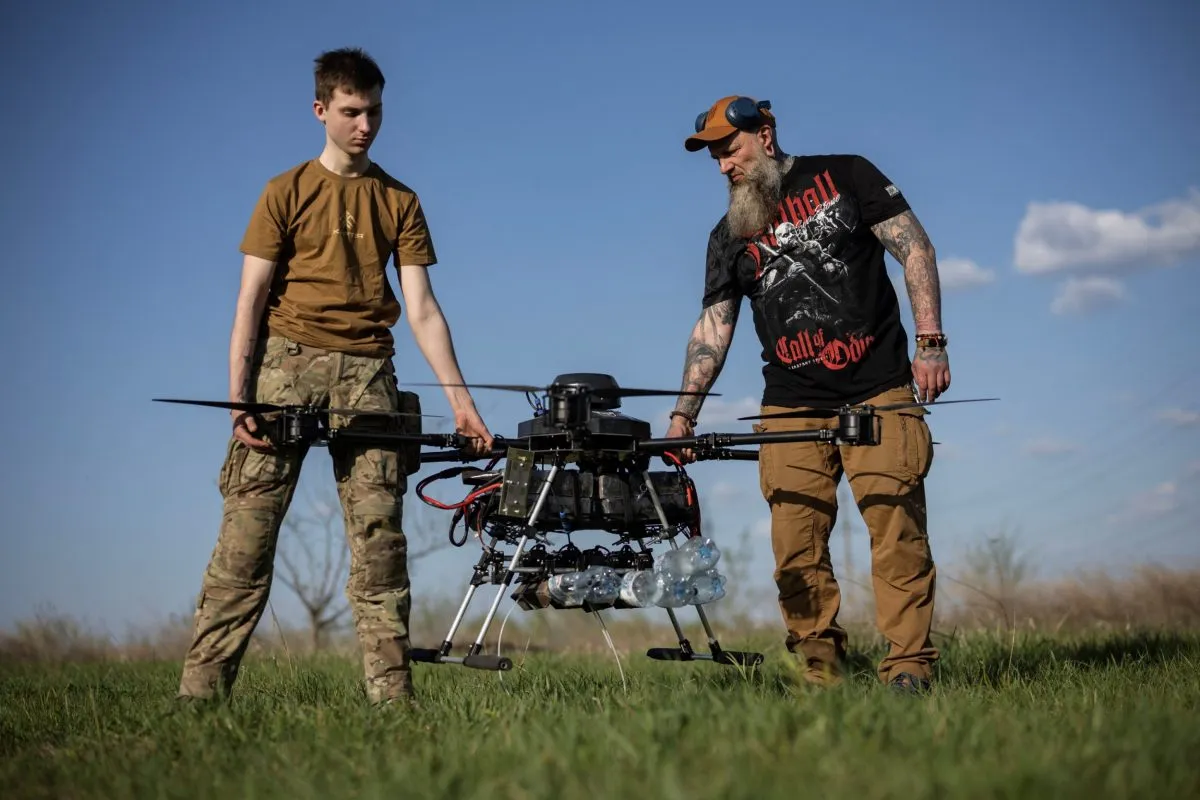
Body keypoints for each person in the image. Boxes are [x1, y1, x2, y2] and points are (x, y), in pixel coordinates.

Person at [175, 47, 494, 707]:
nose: (365, 125)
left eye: (374, 111)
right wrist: (242, 399)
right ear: (320, 109)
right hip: (283, 368)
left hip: (369, 374)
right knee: (245, 546)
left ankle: (393, 703)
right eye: (351, 111)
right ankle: (199, 698)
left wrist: (463, 406)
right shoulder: (283, 191)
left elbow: (424, 311)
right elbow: (250, 302)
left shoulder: (399, 200)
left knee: (380, 549)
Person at [664, 96, 950, 694]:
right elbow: (713, 328)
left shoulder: (846, 175)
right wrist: (682, 415)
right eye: (714, 156)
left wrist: (930, 342)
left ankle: (909, 670)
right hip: (790, 405)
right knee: (796, 551)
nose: (722, 166)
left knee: (896, 533)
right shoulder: (728, 234)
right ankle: (820, 676)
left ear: (765, 134)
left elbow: (913, 247)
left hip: (879, 389)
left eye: (729, 149)